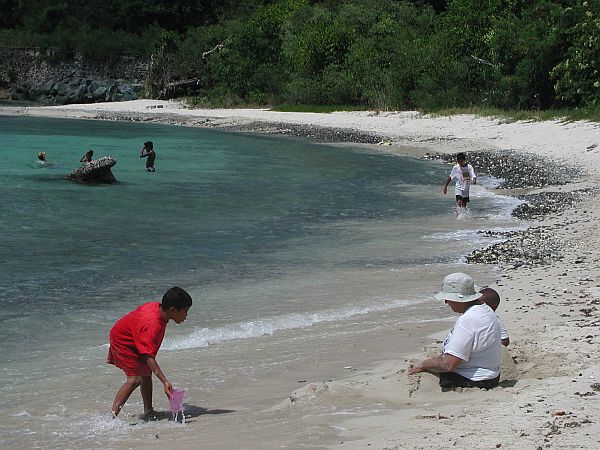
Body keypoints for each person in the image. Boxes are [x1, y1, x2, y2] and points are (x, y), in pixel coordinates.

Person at [107, 287, 192, 419]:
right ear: (172, 310)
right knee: (134, 379)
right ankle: (111, 419)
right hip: (123, 341)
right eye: (185, 311)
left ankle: (148, 411)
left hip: (135, 336)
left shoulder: (159, 310)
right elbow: (148, 356)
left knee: (146, 373)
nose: (186, 316)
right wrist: (165, 382)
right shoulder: (153, 325)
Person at [408, 272, 502, 390]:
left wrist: (423, 364)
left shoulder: (467, 320)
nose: (446, 302)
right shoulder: (485, 310)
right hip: (492, 376)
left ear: (459, 298)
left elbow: (448, 364)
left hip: (473, 380)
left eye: (448, 298)